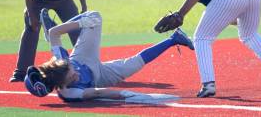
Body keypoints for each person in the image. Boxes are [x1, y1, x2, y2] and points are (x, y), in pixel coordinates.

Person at [24, 9, 194, 101]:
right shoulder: (70, 93)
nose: (74, 73)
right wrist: (124, 95)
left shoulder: (61, 62)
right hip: (98, 77)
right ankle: (174, 39)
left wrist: (80, 24)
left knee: (95, 16)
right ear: (61, 84)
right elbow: (98, 92)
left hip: (82, 58)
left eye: (69, 70)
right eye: (71, 76)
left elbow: (53, 33)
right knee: (133, 64)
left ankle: (81, 22)